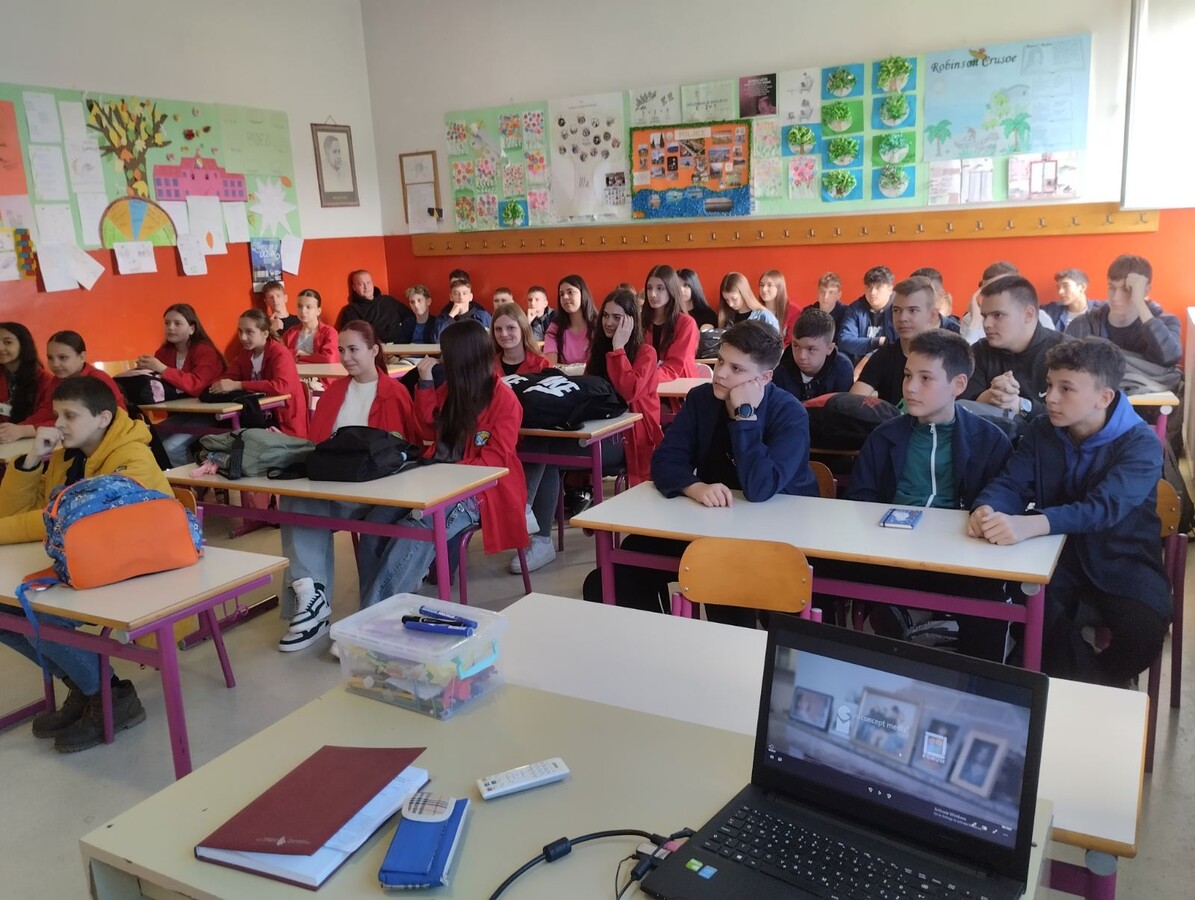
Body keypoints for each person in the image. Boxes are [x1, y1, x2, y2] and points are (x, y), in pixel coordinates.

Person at [969, 338, 1171, 686]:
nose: (1051, 398)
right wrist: (988, 507)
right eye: (1049, 385)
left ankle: (1086, 687)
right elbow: (1011, 483)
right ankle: (1081, 688)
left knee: (1144, 633)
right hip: (1057, 557)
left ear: (1103, 397)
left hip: (1124, 560)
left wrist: (1032, 524)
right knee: (1024, 608)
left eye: (1066, 389)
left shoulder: (1141, 443)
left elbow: (1103, 508)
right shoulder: (1042, 430)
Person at [591, 321, 817, 623]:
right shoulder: (702, 399)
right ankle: (653, 639)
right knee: (614, 573)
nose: (720, 373)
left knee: (724, 584)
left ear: (764, 378)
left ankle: (736, 649)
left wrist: (745, 417)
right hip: (714, 529)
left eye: (736, 369)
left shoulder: (790, 413)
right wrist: (694, 486)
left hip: (777, 540)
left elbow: (760, 488)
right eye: (720, 361)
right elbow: (665, 460)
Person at [0, 376, 171, 751]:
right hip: (87, 562)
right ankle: (85, 684)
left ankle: (109, 694)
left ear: (103, 418)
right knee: (4, 608)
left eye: (70, 415)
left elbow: (66, 519)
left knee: (40, 612)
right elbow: (16, 513)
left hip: (139, 568)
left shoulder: (133, 457)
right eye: (56, 414)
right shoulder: (67, 454)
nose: (58, 424)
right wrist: (31, 460)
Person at [841, 330, 1014, 658]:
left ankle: (976, 680)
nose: (910, 387)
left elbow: (1000, 502)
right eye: (907, 375)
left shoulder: (990, 441)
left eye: (925, 378)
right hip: (888, 554)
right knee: (811, 570)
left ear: (958, 384)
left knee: (989, 601)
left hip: (959, 561)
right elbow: (859, 502)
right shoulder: (884, 437)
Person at [361, 320, 527, 603]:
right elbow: (426, 431)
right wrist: (425, 384)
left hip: (481, 490)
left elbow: (495, 462)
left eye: (446, 355)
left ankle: (373, 613)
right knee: (374, 524)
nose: (441, 361)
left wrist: (444, 474)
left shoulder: (504, 400)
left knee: (415, 529)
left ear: (463, 358)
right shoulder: (452, 389)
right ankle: (380, 603)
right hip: (437, 479)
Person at [277, 321, 416, 651]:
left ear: (374, 350)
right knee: (295, 501)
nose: (346, 357)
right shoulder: (334, 392)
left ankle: (366, 616)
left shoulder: (393, 393)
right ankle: (312, 598)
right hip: (337, 487)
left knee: (312, 508)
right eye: (341, 350)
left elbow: (403, 453)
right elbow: (318, 445)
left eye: (353, 349)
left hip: (378, 493)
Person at [960, 275, 1066, 421]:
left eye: (997, 315)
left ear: (1028, 315)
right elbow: (957, 410)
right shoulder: (979, 351)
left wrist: (1022, 406)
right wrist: (989, 397)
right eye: (984, 316)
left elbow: (1076, 416)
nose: (987, 324)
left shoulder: (1067, 353)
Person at [586, 288, 663, 486]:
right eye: (605, 315)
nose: (608, 322)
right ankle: (577, 494)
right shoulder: (598, 352)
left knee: (563, 453)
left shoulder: (646, 353)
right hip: (598, 428)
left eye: (617, 317)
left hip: (630, 437)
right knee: (548, 448)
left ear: (631, 321)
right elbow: (587, 391)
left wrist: (618, 348)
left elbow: (629, 392)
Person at [134, 304, 225, 466]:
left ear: (192, 328)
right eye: (167, 323)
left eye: (177, 323)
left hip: (210, 414)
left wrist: (162, 369)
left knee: (171, 447)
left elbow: (198, 385)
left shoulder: (205, 351)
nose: (170, 328)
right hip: (182, 414)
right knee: (149, 438)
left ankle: (191, 481)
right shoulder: (163, 353)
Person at [1065, 255, 1180, 371]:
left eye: (1126, 289)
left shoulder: (1166, 322)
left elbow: (1170, 357)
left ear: (1146, 291)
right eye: (1111, 287)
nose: (1115, 297)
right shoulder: (1083, 324)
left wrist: (1139, 302)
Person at [209, 309, 309, 439]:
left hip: (282, 421)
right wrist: (219, 385)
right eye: (240, 331)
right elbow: (229, 377)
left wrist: (239, 385)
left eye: (249, 332)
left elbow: (282, 386)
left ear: (265, 333)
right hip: (258, 416)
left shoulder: (279, 353)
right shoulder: (245, 354)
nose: (243, 337)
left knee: (239, 438)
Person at [851, 276, 941, 404]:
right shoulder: (884, 355)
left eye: (912, 310)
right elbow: (853, 401)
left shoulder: (945, 358)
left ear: (932, 315)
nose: (902, 318)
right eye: (897, 310)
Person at [26, 331, 126, 426]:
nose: (55, 364)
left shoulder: (98, 379)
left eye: (63, 357)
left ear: (82, 357)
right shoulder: (57, 380)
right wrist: (21, 426)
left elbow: (85, 423)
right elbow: (47, 411)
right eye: (50, 358)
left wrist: (30, 429)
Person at [959, 261, 1054, 343]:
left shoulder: (1040, 317)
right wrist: (975, 322)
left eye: (1001, 288)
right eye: (988, 289)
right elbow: (966, 357)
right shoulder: (971, 319)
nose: (994, 293)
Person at [771, 307, 853, 401]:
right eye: (796, 346)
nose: (801, 356)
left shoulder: (842, 369)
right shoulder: (781, 368)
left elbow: (843, 409)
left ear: (830, 348)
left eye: (811, 349)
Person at [0, 322, 54, 444]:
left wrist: (20, 430)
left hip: (31, 443)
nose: (0, 347)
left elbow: (48, 417)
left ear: (23, 345)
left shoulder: (45, 380)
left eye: (7, 342)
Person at [642, 264, 698, 381]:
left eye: (660, 288)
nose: (652, 294)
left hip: (679, 386)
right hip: (647, 385)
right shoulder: (641, 321)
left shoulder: (687, 323)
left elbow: (674, 367)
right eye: (649, 288)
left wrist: (643, 378)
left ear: (671, 290)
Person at [336, 270, 415, 344]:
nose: (366, 287)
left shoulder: (388, 300)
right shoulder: (351, 310)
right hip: (379, 349)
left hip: (406, 345)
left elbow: (410, 317)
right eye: (361, 284)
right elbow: (352, 338)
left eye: (368, 283)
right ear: (354, 287)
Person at [837, 265, 897, 362]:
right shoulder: (855, 309)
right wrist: (876, 342)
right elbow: (844, 341)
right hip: (857, 363)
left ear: (890, 289)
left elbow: (899, 343)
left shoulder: (900, 308)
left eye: (878, 287)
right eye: (869, 287)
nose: (872, 292)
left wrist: (868, 355)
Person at [543, 274, 596, 365]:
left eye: (570, 292)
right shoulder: (555, 328)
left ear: (583, 294)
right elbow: (551, 366)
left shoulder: (598, 325)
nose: (565, 297)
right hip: (561, 375)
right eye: (561, 294)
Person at [492, 302, 551, 378]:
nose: (504, 334)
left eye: (511, 328)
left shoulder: (542, 364)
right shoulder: (488, 365)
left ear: (523, 329)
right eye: (498, 329)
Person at [281, 289, 337, 363]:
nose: (303, 311)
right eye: (299, 306)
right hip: (293, 370)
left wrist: (298, 357)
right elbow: (280, 354)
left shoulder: (329, 332)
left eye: (308, 307)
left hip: (319, 371)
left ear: (318, 311)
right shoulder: (290, 332)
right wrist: (297, 352)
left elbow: (328, 358)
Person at [910, 266, 960, 333]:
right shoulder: (900, 327)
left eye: (928, 292)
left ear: (940, 295)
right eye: (914, 292)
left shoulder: (955, 333)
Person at [759, 269, 799, 347]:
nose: (764, 289)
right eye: (761, 285)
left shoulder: (793, 311)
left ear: (779, 287)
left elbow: (792, 342)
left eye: (769, 285)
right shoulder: (755, 310)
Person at [803, 271, 847, 341]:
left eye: (831, 292)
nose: (825, 297)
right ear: (817, 293)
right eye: (822, 292)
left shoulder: (846, 313)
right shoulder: (808, 313)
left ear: (839, 295)